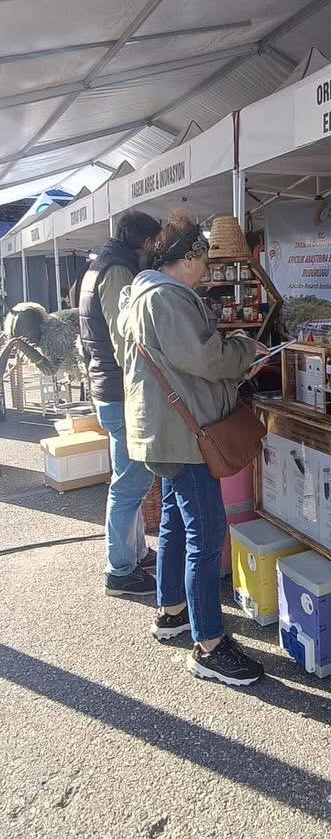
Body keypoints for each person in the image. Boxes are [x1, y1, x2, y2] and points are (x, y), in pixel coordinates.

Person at [118, 212, 267, 688]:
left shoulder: (143, 294)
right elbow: (203, 357)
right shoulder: (166, 297)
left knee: (178, 524)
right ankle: (210, 646)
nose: (207, 270)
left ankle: (172, 612)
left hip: (166, 430)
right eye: (204, 261)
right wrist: (243, 351)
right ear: (187, 258)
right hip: (183, 435)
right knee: (206, 533)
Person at [79, 209, 161, 597]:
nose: (156, 249)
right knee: (131, 484)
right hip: (120, 391)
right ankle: (119, 570)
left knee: (128, 481)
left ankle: (134, 553)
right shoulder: (116, 271)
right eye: (154, 242)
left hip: (107, 388)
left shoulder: (100, 265)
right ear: (144, 242)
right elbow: (124, 338)